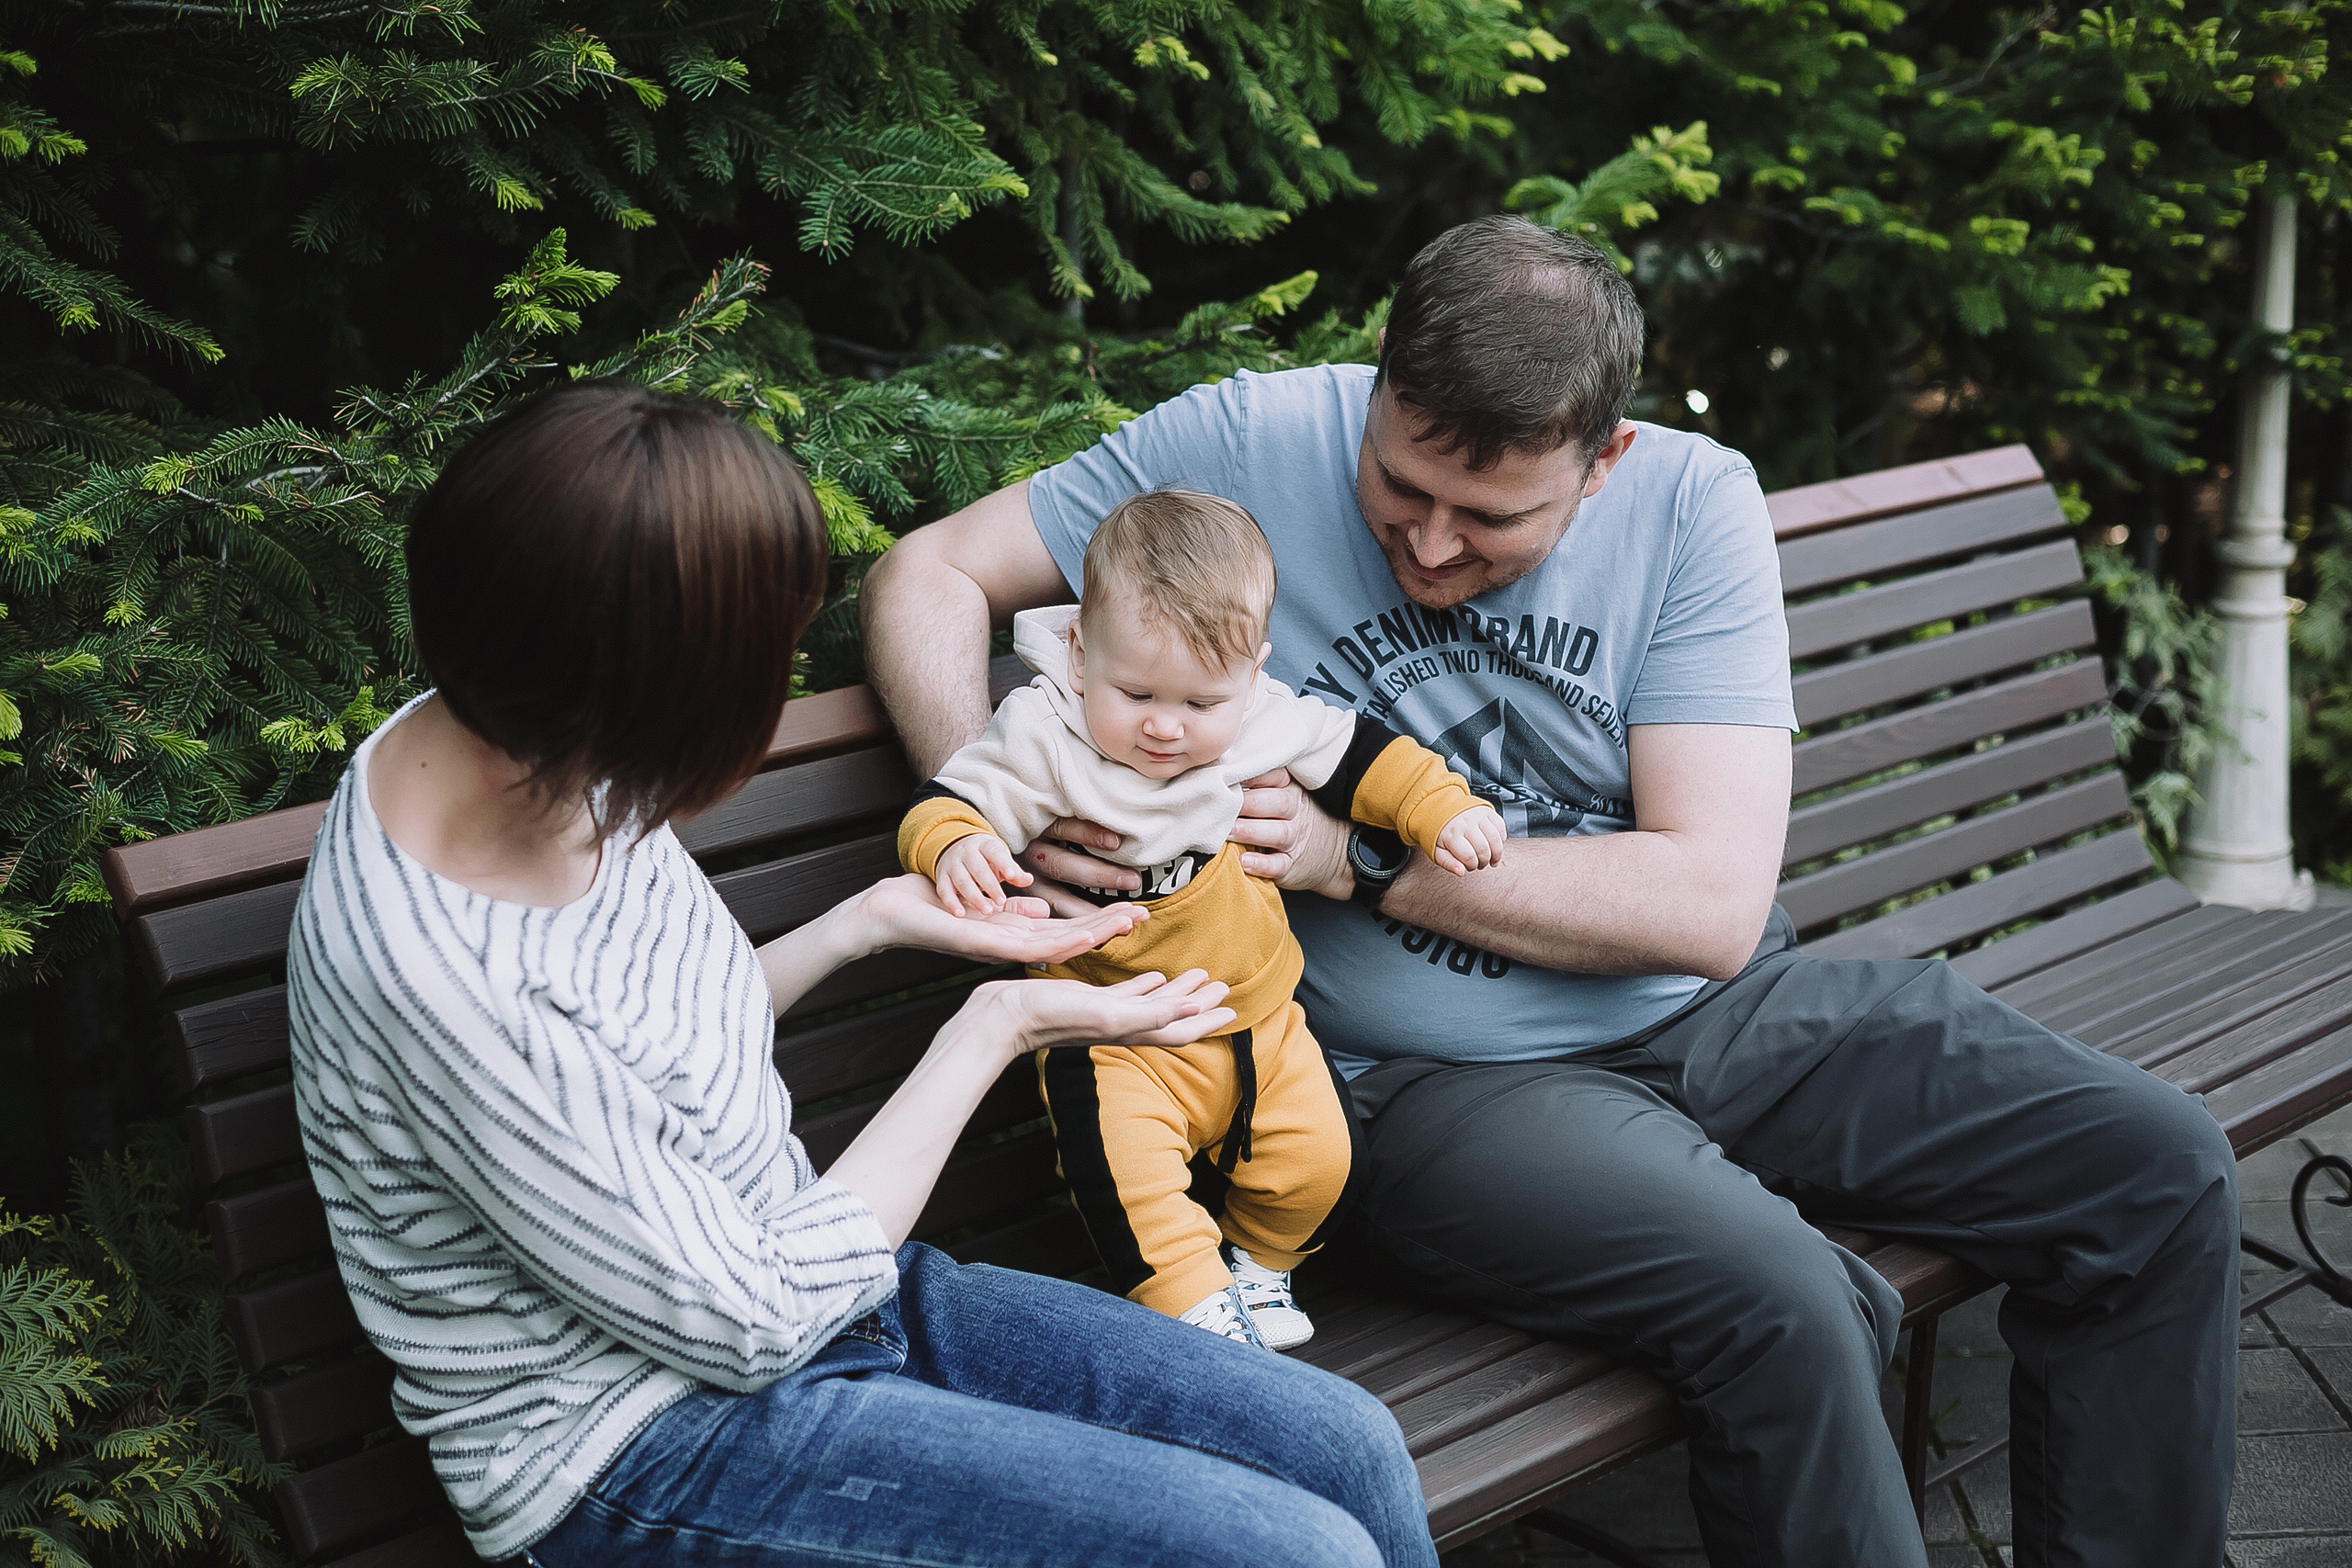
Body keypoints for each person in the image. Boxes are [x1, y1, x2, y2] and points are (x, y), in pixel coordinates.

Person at [860, 216, 2243, 1568]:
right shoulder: (1245, 440)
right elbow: (931, 568)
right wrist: (1003, 808)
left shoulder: (1692, 501)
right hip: (1423, 1079)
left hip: (1714, 1006)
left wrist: (1361, 859)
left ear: (1605, 460)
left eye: (1492, 514)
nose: (1435, 546)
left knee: (2152, 1165)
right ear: (1378, 389)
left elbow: (1704, 905)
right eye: (1401, 490)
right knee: (1797, 1307)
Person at [285, 380, 1442, 1568]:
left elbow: (644, 1047)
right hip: (644, 1447)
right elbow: (747, 1320)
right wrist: (990, 1026)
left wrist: (865, 920)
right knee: (1296, 1551)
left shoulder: (529, 729)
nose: (771, 695)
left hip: (823, 1283)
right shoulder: (444, 980)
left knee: (1347, 1446)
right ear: (647, 686)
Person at [900, 489, 1503, 1348]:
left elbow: (1364, 759)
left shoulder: (1258, 715)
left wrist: (1441, 809)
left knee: (1319, 1158)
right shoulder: (1043, 734)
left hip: (1254, 1018)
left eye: (1197, 705)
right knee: (1131, 1185)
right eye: (1135, 691)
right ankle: (1193, 1307)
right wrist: (956, 843)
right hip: (1112, 1032)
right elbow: (952, 800)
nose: (1164, 728)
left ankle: (1261, 1265)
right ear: (1079, 654)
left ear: (1252, 673)